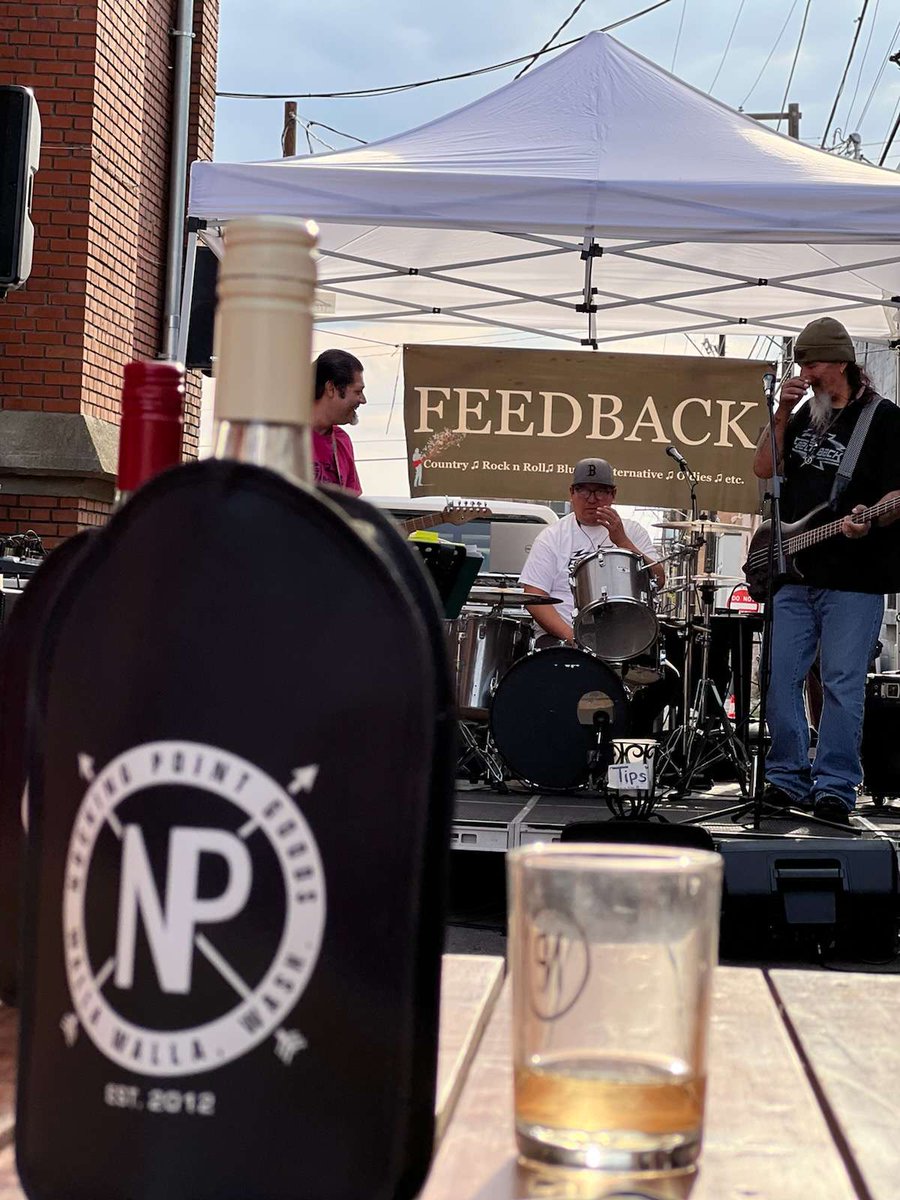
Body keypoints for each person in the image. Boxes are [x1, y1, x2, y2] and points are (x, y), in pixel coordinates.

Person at [753, 316, 900, 825]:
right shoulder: (801, 415)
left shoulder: (883, 419)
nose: (805, 372)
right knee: (778, 679)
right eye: (800, 363)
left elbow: (897, 498)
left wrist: (871, 519)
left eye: (812, 363)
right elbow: (763, 470)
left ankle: (836, 785)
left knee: (841, 682)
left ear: (840, 362)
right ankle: (784, 777)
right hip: (793, 573)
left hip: (854, 579)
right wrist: (779, 414)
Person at [520, 458, 665, 645]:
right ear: (572, 493)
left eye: (600, 491)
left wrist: (622, 541)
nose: (592, 499)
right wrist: (573, 637)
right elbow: (534, 595)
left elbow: (659, 580)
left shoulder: (633, 531)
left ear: (613, 494)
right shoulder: (552, 536)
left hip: (622, 638)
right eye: (584, 490)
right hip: (562, 638)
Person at [311, 349, 366, 495]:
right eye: (357, 391)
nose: (363, 400)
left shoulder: (342, 441)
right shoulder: (288, 436)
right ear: (331, 388)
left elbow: (350, 508)